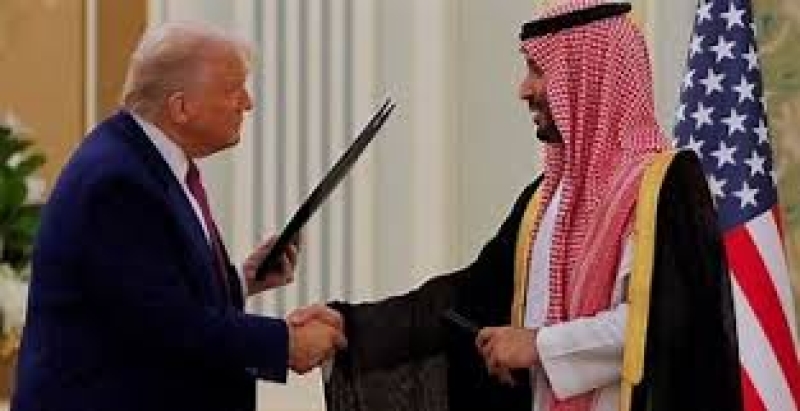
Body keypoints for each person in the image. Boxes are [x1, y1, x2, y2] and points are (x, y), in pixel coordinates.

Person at [300, 1, 743, 411]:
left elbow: (672, 324)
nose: (523, 90)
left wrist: (541, 345)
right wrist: (350, 326)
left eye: (537, 70)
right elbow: (466, 297)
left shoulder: (664, 187)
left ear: (586, 77)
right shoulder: (546, 198)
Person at [11, 22, 345, 411]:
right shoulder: (117, 182)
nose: (248, 103)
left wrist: (240, 282)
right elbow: (167, 324)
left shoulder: (144, 160)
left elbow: (147, 294)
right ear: (181, 107)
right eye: (233, 90)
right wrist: (285, 343)